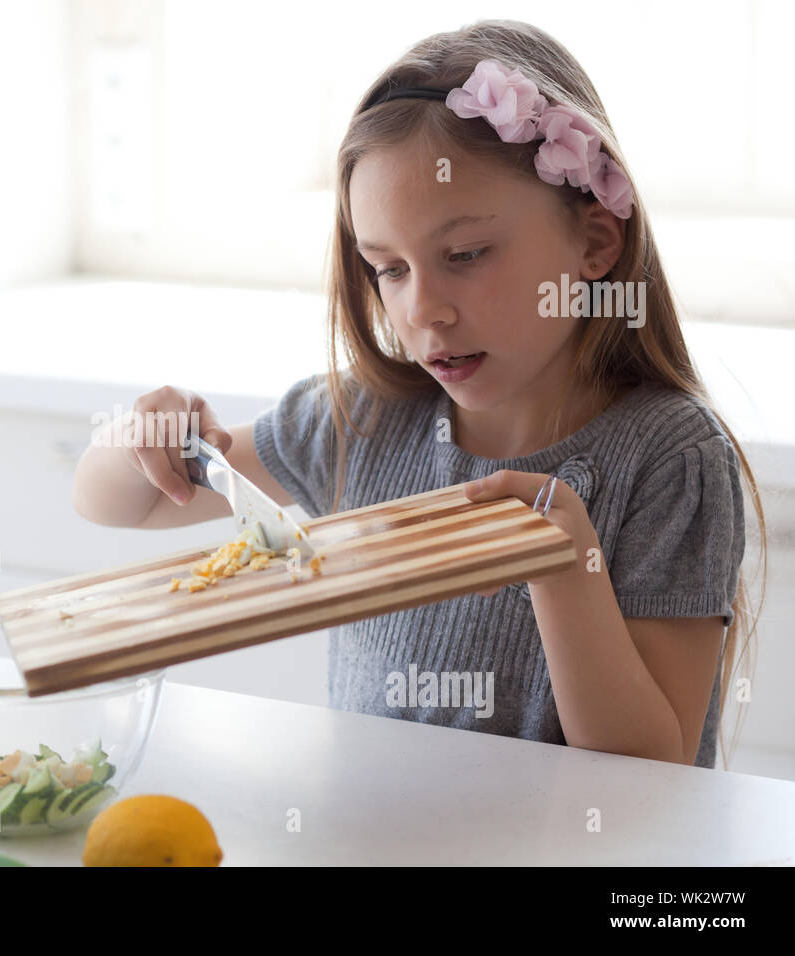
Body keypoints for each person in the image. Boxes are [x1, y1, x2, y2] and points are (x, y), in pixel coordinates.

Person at [71, 19, 765, 769]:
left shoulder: (672, 457)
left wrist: (565, 569)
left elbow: (649, 766)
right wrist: (145, 437)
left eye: (464, 255)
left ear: (594, 244)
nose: (422, 310)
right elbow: (114, 502)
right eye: (389, 269)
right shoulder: (362, 418)